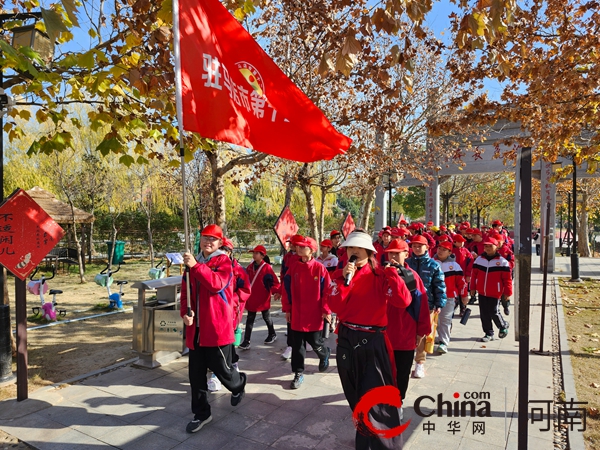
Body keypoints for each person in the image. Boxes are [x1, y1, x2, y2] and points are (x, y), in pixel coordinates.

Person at [328, 230, 412, 449]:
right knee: (355, 396)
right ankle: (364, 440)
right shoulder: (340, 276)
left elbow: (403, 301)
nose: (352, 253)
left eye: (357, 249)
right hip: (347, 339)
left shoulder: (381, 275)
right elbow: (334, 305)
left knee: (376, 400)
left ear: (368, 251)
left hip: (373, 341)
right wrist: (347, 281)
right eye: (349, 249)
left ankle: (387, 444)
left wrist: (394, 276)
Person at [180, 224, 247, 434]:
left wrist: (196, 267)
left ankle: (239, 384)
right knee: (196, 376)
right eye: (205, 238)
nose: (208, 242)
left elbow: (217, 283)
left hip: (216, 326)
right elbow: (185, 291)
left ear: (219, 243)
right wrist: (185, 312)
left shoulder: (223, 262)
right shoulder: (193, 262)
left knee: (223, 369)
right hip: (196, 330)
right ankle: (202, 413)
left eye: (213, 239)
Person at [383, 238, 431, 406]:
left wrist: (421, 331)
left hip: (404, 333)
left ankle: (398, 402)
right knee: (383, 371)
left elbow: (421, 305)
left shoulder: (411, 277)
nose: (393, 257)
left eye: (397, 253)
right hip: (383, 333)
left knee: (402, 372)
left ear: (406, 254)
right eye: (391, 254)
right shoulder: (382, 274)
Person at [281, 236, 332, 389]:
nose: (299, 249)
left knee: (316, 342)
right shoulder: (293, 267)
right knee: (298, 346)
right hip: (297, 313)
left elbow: (326, 291)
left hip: (314, 313)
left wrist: (326, 310)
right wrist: (287, 309)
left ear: (312, 250)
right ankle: (298, 373)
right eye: (298, 247)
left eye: (303, 247)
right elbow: (286, 290)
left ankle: (324, 353)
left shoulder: (319, 268)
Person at [406, 234, 447, 378]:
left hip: (427, 305)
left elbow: (439, 286)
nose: (416, 248)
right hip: (406, 304)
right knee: (406, 332)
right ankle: (405, 360)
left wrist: (439, 303)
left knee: (422, 334)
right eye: (414, 246)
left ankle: (420, 363)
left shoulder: (434, 265)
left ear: (427, 247)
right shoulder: (406, 263)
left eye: (419, 246)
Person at [238, 245, 280, 350]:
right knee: (250, 318)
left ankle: (272, 333)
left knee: (266, 317)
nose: (254, 255)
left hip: (262, 297)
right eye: (253, 253)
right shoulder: (249, 267)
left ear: (262, 255)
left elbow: (274, 282)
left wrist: (276, 292)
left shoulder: (266, 268)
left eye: (256, 253)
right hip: (252, 297)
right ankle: (246, 341)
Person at [470, 237, 512, 342]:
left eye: (490, 246)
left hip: (495, 292)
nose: (487, 248)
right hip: (482, 291)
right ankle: (488, 333)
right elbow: (474, 275)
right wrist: (472, 288)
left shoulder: (502, 262)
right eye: (485, 246)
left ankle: (502, 326)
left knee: (494, 311)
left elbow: (507, 279)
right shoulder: (479, 260)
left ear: (496, 246)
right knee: (484, 313)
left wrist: (507, 292)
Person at [433, 241, 468, 354]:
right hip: (433, 297)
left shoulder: (455, 266)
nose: (440, 251)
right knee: (435, 320)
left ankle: (443, 342)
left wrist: (464, 295)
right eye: (439, 248)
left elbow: (461, 282)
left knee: (445, 319)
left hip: (449, 297)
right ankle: (439, 336)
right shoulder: (431, 263)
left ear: (449, 252)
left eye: (444, 249)